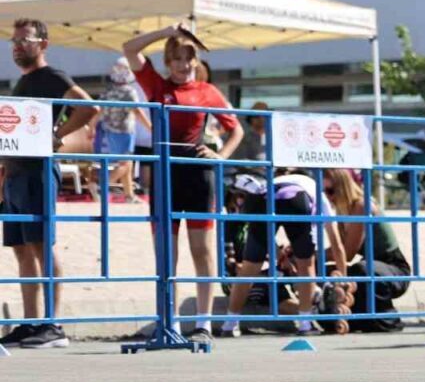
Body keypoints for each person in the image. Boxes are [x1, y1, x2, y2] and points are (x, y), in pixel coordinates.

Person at [124, 22, 243, 343]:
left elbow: (236, 129)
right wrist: (167, 31)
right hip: (164, 175)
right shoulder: (156, 84)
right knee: (166, 254)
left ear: (197, 61)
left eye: (188, 57)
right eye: (176, 58)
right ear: (168, 61)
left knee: (202, 251)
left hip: (198, 175)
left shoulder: (207, 91)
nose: (183, 64)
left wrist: (221, 157)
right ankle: (170, 320)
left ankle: (203, 322)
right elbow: (129, 49)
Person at [0, 19, 97, 349]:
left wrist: (58, 134)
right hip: (14, 174)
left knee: (42, 246)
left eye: (24, 40)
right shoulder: (22, 82)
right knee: (21, 250)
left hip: (38, 172)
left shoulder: (51, 77)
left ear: (43, 43)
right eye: (14, 41)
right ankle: (30, 321)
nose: (17, 45)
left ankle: (53, 324)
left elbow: (88, 106)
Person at [218, 172, 347, 337]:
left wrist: (279, 254)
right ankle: (305, 324)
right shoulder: (320, 197)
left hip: (262, 198)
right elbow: (337, 244)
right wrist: (344, 278)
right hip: (295, 197)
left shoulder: (282, 181)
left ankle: (229, 324)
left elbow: (267, 239)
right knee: (305, 264)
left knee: (249, 268)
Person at [324, 168, 409, 331]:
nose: (327, 197)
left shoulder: (362, 206)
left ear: (343, 188)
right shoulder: (344, 211)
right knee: (329, 272)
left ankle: (387, 319)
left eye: (330, 191)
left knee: (360, 269)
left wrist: (313, 255)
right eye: (323, 193)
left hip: (394, 268)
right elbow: (338, 250)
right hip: (373, 266)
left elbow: (347, 254)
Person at [94, 57, 149, 202]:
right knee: (126, 163)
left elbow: (99, 110)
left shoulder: (108, 91)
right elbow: (137, 111)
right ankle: (102, 186)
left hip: (109, 131)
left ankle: (129, 195)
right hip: (125, 132)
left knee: (123, 163)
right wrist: (150, 127)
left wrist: (91, 127)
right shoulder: (129, 92)